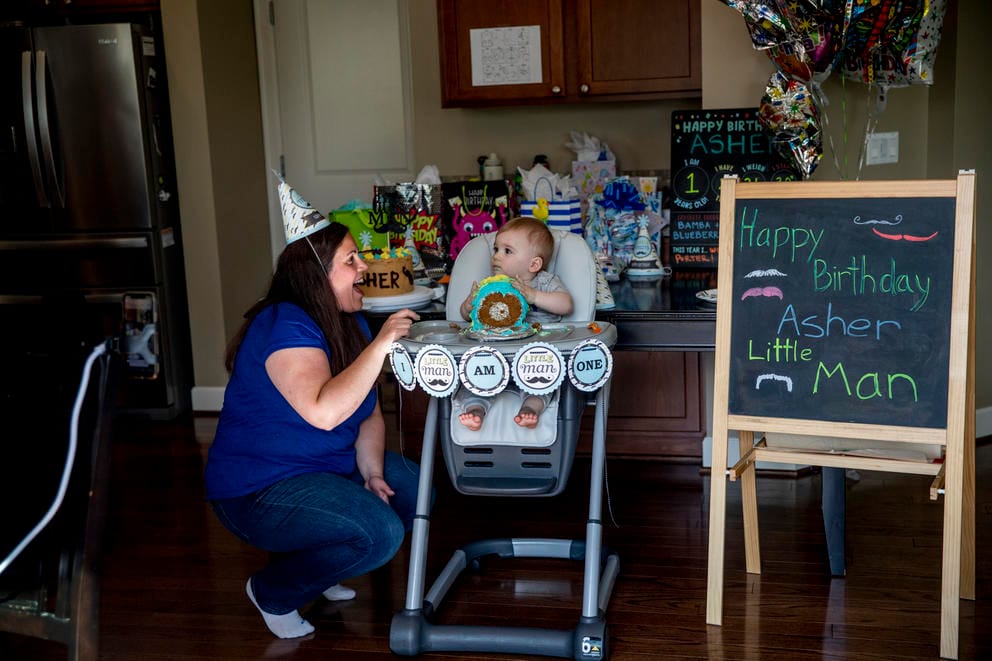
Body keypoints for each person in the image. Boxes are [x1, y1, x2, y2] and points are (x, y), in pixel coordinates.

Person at [204, 183, 422, 639]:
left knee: (414, 491)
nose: (363, 267)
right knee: (380, 534)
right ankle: (274, 591)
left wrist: (373, 471)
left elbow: (368, 413)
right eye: (350, 261)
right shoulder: (286, 323)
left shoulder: (350, 320)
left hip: (324, 469)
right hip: (260, 488)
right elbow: (323, 412)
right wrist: (383, 344)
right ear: (317, 274)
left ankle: (319, 568)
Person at [455, 217, 573, 430]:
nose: (496, 257)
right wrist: (470, 303)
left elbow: (566, 305)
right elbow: (464, 317)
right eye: (496, 249)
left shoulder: (544, 282)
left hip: (533, 356)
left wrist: (534, 296)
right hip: (495, 355)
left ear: (534, 264)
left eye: (507, 251)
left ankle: (530, 408)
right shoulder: (489, 285)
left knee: (542, 384)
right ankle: (475, 410)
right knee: (471, 382)